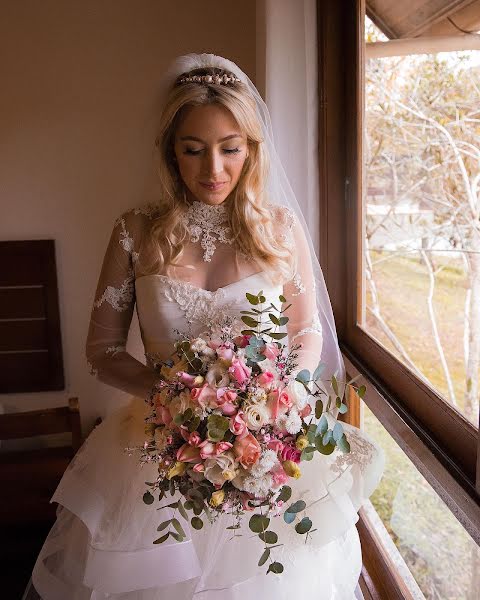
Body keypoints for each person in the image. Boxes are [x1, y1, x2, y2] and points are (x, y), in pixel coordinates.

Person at [30, 53, 383, 600]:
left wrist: (274, 398)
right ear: (171, 152)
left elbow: (306, 334)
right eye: (193, 149)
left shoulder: (280, 229)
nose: (212, 169)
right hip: (157, 448)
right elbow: (101, 351)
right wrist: (179, 399)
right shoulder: (135, 232)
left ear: (251, 150)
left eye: (230, 149)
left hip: (265, 445)